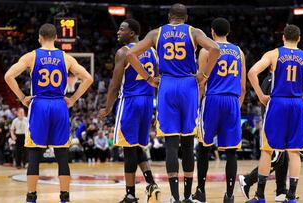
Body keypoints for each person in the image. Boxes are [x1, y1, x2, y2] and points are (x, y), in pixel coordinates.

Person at [126, 4, 220, 203]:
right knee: (187, 142)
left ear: (170, 16)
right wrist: (204, 75)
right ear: (185, 17)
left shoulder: (155, 33)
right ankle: (187, 196)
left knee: (170, 143)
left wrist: (148, 78)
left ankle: (174, 197)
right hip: (188, 85)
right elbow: (215, 48)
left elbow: (130, 54)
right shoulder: (194, 32)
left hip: (167, 85)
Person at [4, 23, 93, 203]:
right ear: (56, 38)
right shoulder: (66, 58)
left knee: (35, 154)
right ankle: (64, 197)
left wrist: (22, 97)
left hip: (40, 104)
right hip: (60, 105)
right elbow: (89, 78)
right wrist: (73, 98)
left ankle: (31, 197)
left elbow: (8, 76)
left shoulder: (32, 56)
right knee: (62, 155)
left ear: (39, 37)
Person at [246, 24, 303, 203]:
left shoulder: (273, 54)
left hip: (277, 103)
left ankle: (260, 196)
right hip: (296, 105)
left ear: (283, 37)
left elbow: (252, 72)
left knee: (267, 150)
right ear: (299, 39)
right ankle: (291, 197)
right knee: (294, 152)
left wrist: (261, 95)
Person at [98, 19, 160, 203]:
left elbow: (115, 85)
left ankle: (130, 194)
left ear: (132, 33)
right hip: (148, 102)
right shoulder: (153, 52)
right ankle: (151, 184)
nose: (118, 32)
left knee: (128, 150)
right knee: (136, 146)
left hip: (131, 101)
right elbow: (156, 79)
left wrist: (108, 107)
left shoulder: (124, 52)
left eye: (122, 29)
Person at [191, 17, 246, 203]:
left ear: (212, 32)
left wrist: (196, 106)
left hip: (212, 99)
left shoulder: (207, 50)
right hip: (232, 100)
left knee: (204, 148)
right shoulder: (239, 52)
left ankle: (200, 192)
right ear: (228, 32)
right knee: (231, 151)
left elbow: (201, 82)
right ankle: (230, 196)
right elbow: (243, 87)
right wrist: (236, 107)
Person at [238, 75, 289, 202]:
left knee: (284, 158)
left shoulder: (281, 79)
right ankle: (248, 180)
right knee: (277, 159)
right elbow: (266, 104)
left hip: (282, 123)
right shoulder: (270, 80)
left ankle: (281, 191)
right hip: (273, 124)